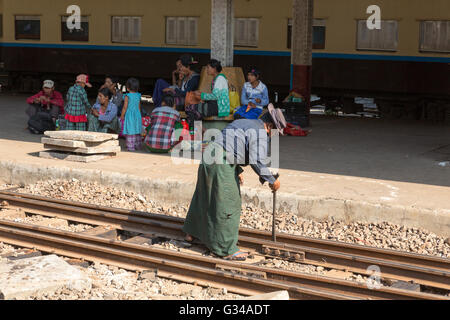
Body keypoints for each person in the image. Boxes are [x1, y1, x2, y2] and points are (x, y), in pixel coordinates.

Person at [182, 104, 286, 261]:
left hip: (209, 156)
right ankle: (226, 248)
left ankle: (192, 232)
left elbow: (228, 143)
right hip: (221, 162)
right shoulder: (260, 133)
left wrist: (237, 170)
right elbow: (256, 159)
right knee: (230, 202)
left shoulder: (245, 122)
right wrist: (272, 180)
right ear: (270, 126)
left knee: (203, 195)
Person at [121, 78, 143, 151]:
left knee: (130, 130)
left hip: (130, 115)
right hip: (137, 114)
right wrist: (139, 115)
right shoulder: (138, 95)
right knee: (137, 129)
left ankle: (131, 147)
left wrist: (122, 115)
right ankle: (138, 145)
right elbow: (139, 106)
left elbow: (125, 107)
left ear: (127, 87)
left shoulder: (127, 96)